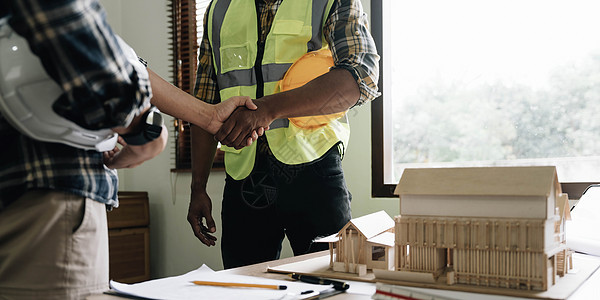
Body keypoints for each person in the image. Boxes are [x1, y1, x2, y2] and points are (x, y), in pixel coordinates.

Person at [0, 0, 260, 299]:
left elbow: (122, 64)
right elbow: (107, 70)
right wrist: (145, 130)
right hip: (45, 202)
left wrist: (208, 116)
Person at [187, 0, 380, 269]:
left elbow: (361, 77)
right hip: (246, 180)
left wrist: (267, 109)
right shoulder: (220, 8)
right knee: (243, 289)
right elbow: (204, 105)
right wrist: (198, 186)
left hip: (314, 171)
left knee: (334, 279)